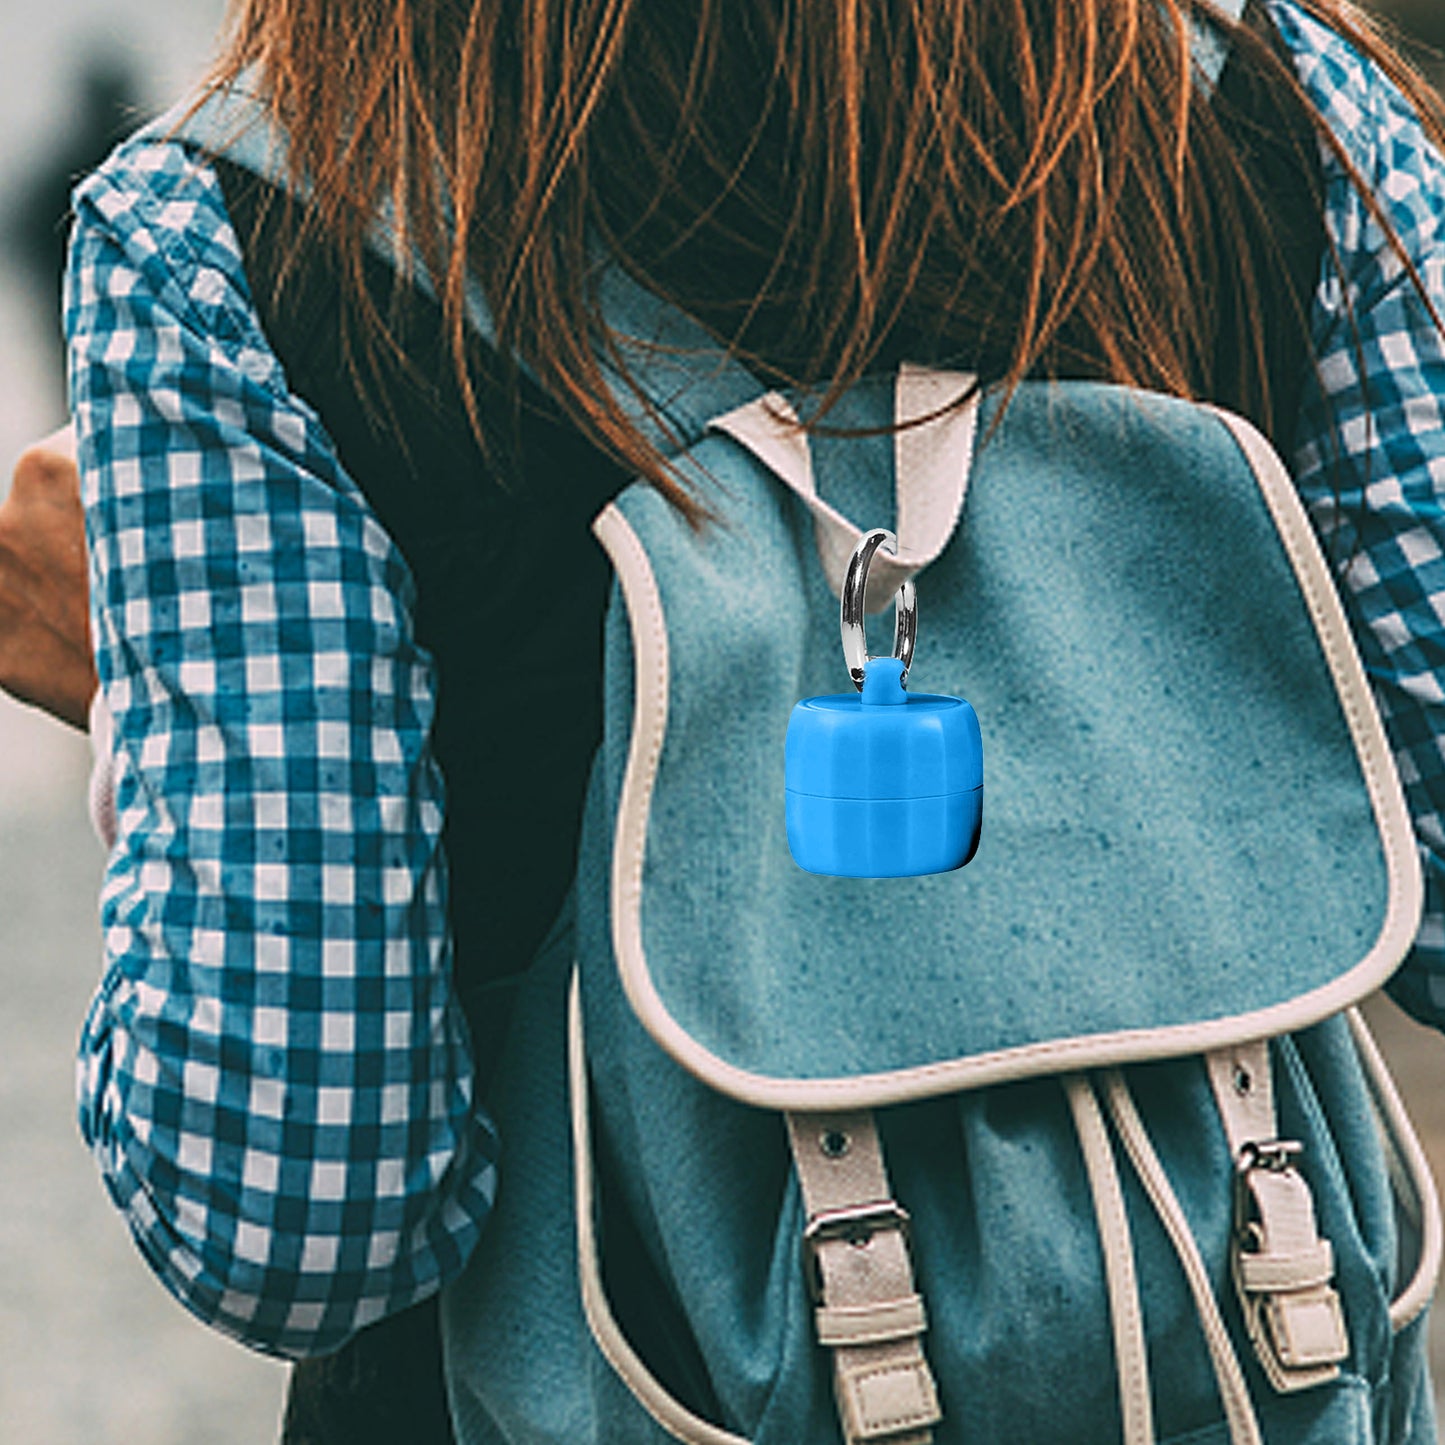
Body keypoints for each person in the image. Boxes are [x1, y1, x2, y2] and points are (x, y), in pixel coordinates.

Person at [4, 0, 1445, 1439]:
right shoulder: (1271, 108)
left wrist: (140, 707)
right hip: (1247, 1329)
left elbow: (300, 1217)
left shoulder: (235, 237)